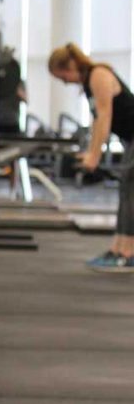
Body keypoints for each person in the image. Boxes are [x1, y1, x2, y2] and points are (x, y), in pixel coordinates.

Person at [49, 43, 134, 272]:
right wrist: (91, 151)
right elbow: (97, 122)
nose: (66, 82)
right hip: (130, 138)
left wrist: (95, 156)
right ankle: (118, 248)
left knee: (130, 191)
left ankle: (128, 252)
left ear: (71, 65)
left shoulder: (99, 74)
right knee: (126, 190)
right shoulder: (89, 83)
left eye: (63, 76)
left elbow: (105, 117)